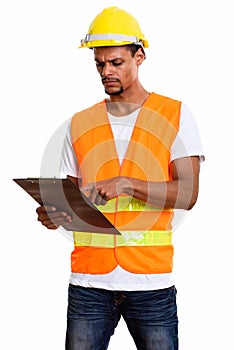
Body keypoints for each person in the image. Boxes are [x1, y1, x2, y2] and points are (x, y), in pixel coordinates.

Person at [36, 6, 204, 350]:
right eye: (99, 64)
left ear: (139, 56)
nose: (106, 72)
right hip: (88, 283)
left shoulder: (174, 114)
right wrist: (54, 213)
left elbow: (188, 193)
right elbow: (71, 196)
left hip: (151, 282)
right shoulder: (79, 123)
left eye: (116, 63)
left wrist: (127, 184)